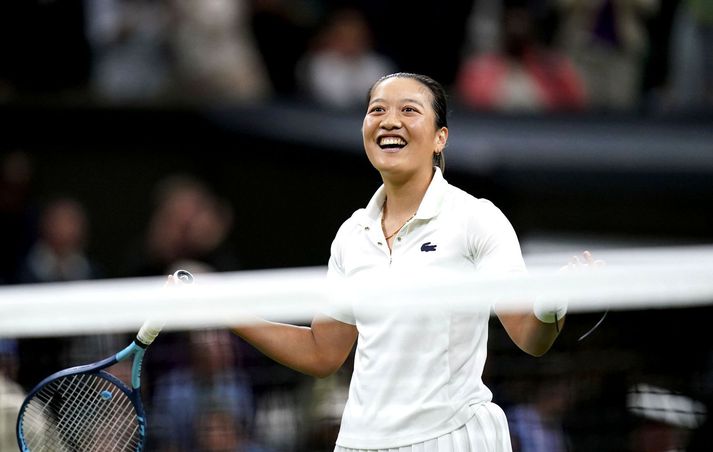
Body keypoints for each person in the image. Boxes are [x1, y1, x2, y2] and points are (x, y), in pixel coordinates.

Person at [229, 72, 594, 451]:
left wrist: (554, 302)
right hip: (360, 442)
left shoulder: (475, 218)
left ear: (441, 137)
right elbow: (323, 352)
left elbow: (529, 337)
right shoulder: (352, 235)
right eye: (377, 110)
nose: (389, 121)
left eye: (409, 110)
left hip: (451, 438)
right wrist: (220, 312)